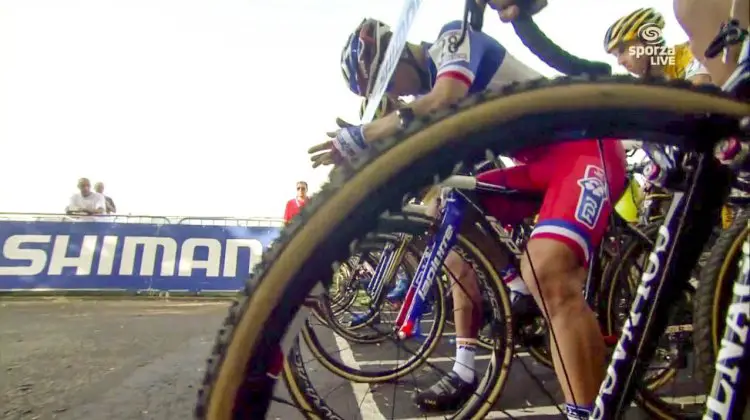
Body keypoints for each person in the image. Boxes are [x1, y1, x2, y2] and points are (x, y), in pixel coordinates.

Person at [309, 16, 626, 418]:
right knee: (452, 205)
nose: (394, 95)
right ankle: (514, 291)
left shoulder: (451, 40)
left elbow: (445, 97)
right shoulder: (430, 91)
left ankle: (584, 407)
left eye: (386, 82)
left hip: (584, 147)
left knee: (547, 272)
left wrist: (363, 134)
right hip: (541, 163)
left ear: (399, 54)